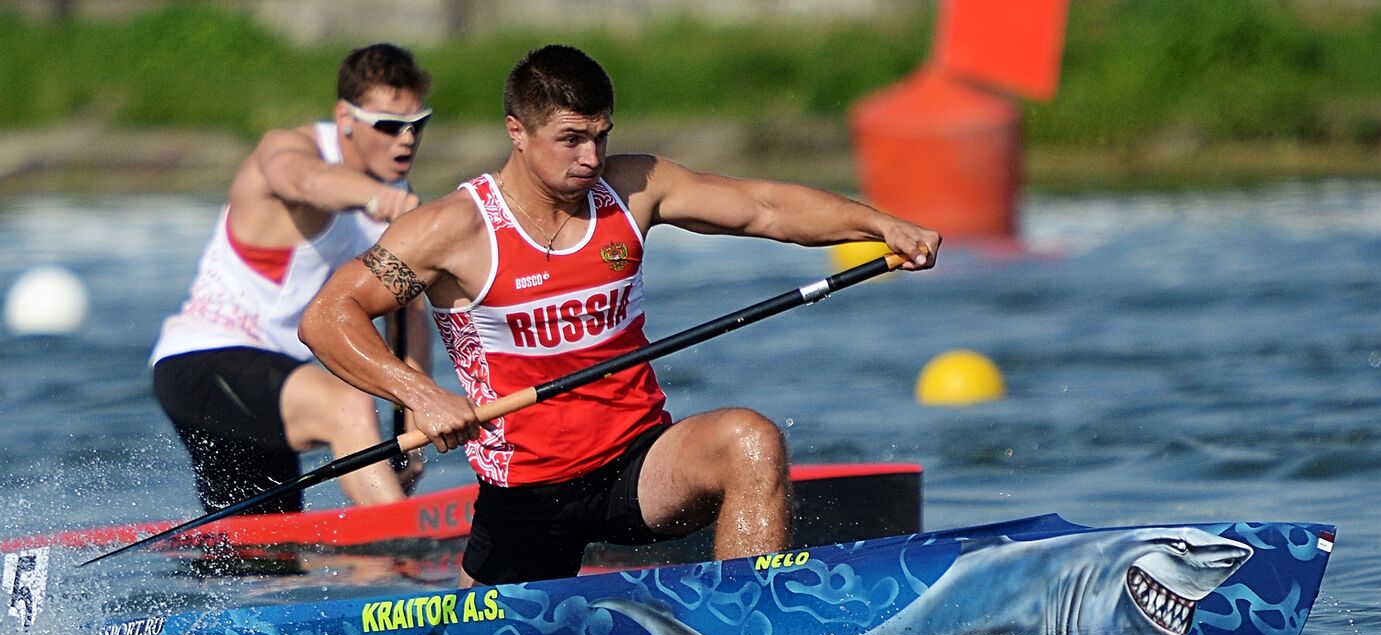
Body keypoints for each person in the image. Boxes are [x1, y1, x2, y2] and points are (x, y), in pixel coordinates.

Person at [300, 44, 940, 585]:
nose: (590, 158)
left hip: (638, 463)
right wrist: (421, 394)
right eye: (571, 139)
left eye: (601, 136)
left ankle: (750, 618)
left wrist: (878, 223)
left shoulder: (634, 188)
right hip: (528, 491)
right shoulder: (453, 229)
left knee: (751, 440)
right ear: (516, 132)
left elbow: (761, 207)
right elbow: (328, 316)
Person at [150, 43, 435, 515]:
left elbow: (408, 314)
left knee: (258, 565)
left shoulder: (397, 195)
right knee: (346, 404)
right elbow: (304, 182)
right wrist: (376, 199)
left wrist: (411, 426)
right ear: (345, 117)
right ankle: (404, 545)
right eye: (387, 125)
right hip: (200, 364)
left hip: (278, 383)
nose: (405, 139)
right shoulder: (288, 150)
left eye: (417, 124)